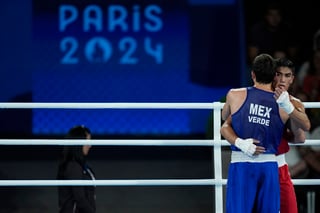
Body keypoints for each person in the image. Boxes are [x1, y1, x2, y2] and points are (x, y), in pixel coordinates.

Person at [221, 57, 311, 213]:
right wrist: (241, 143)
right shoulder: (242, 96)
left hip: (276, 165)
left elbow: (301, 136)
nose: (282, 79)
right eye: (279, 74)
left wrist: (288, 108)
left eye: (287, 75)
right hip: (258, 162)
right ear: (272, 75)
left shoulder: (291, 102)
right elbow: (225, 125)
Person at [57, 125, 96, 213]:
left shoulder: (80, 165)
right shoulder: (73, 166)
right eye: (88, 141)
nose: (90, 145)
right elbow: (80, 199)